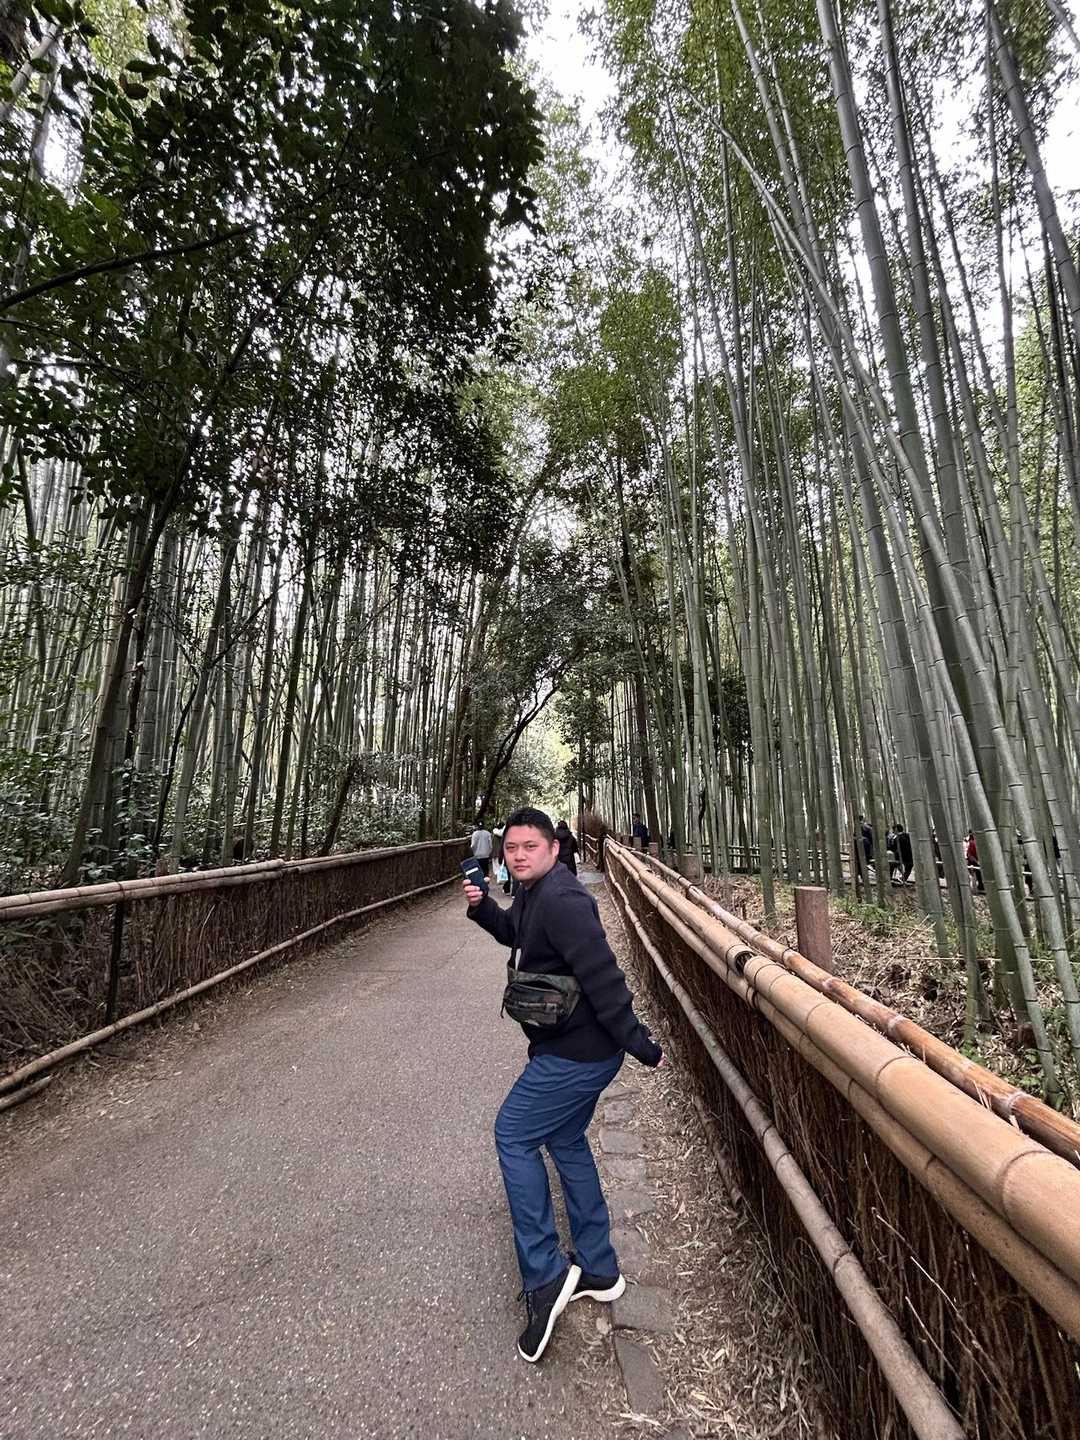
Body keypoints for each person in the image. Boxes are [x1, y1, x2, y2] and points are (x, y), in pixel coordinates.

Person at [462, 806, 663, 1364]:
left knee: (513, 1134)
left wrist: (640, 1043)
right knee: (566, 1139)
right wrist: (483, 908)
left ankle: (547, 1276)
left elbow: (604, 977)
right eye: (511, 848)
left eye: (530, 846)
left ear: (554, 849)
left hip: (579, 1053)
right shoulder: (535, 893)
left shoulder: (565, 899)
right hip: (571, 1047)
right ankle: (599, 1268)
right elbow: (516, 934)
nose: (518, 855)